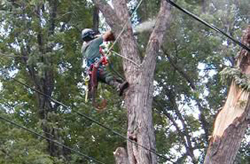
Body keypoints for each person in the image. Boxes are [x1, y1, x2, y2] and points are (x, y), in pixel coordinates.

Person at [81, 28, 129, 97]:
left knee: (112, 79)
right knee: (108, 77)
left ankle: (121, 85)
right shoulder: (94, 42)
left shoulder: (83, 48)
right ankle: (118, 86)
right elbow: (106, 35)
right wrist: (112, 29)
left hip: (91, 72)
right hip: (97, 68)